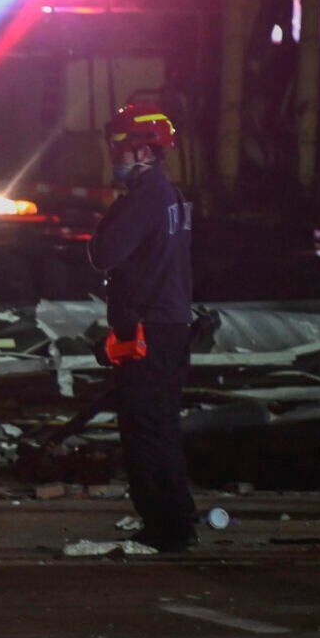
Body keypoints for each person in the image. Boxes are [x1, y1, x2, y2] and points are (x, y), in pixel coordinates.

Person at [88, 106, 197, 552]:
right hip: (167, 325)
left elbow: (103, 253)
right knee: (160, 426)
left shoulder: (143, 200)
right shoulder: (168, 195)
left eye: (121, 148)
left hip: (149, 329)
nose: (115, 156)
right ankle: (175, 520)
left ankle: (166, 528)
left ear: (145, 151)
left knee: (145, 430)